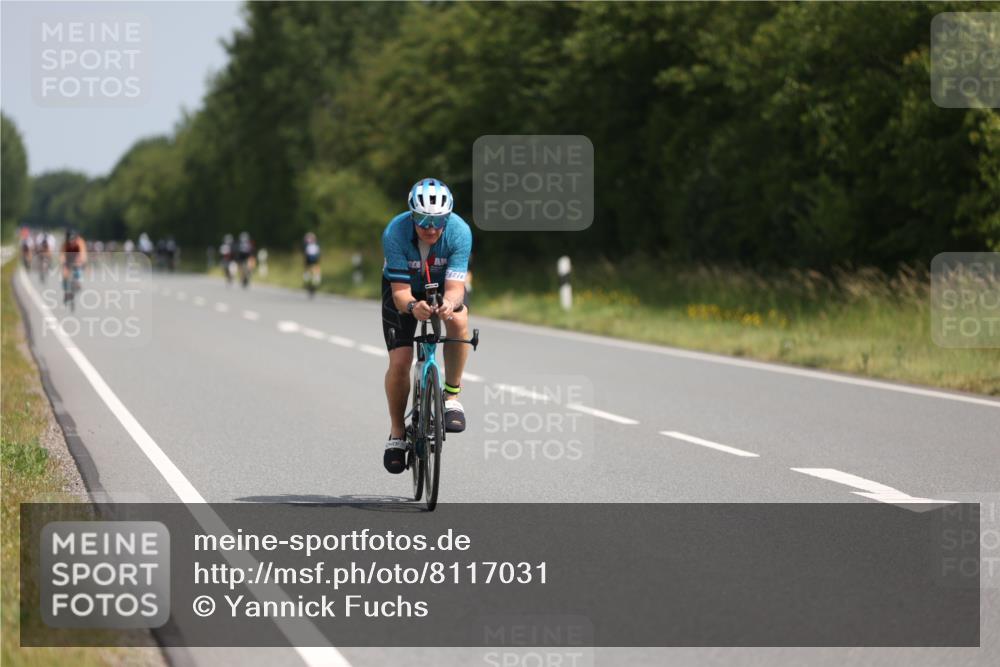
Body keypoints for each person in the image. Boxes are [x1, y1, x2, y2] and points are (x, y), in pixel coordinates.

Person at [380, 178, 472, 474]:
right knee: (401, 360)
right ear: (411, 215)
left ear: (448, 217)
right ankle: (396, 433)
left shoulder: (459, 231)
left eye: (438, 221)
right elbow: (399, 294)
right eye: (423, 220)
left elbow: (457, 287)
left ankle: (452, 396)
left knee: (459, 319)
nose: (431, 228)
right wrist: (411, 307)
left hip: (442, 286)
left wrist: (450, 303)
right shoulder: (395, 232)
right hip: (404, 291)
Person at [60, 228, 87, 298]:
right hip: (68, 260)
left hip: (76, 260)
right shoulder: (65, 244)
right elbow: (62, 254)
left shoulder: (80, 242)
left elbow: (82, 253)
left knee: (78, 271)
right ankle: (66, 291)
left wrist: (82, 261)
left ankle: (78, 282)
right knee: (65, 275)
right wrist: (62, 261)